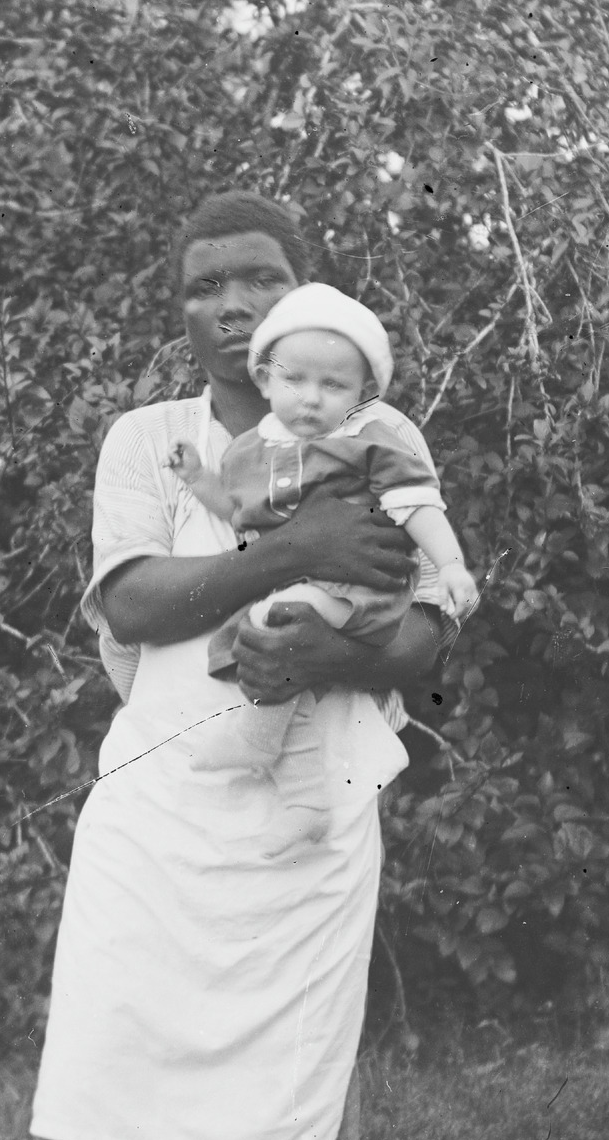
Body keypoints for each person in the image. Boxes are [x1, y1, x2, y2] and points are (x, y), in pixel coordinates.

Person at [0, 192, 447, 1140]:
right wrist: (296, 549)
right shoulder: (150, 440)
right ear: (181, 308)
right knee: (92, 1071)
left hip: (307, 819)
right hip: (159, 806)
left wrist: (325, 650)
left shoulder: (380, 439)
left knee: (299, 1097)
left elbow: (430, 627)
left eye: (259, 278)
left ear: (306, 297)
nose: (232, 305)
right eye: (205, 285)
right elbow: (133, 599)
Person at [165, 279, 479, 831]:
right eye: (295, 380)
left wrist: (451, 565)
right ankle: (306, 802)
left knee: (274, 624)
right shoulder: (249, 451)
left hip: (362, 591)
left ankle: (256, 742)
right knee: (279, 655)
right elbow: (236, 510)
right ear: (265, 379)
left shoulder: (369, 440)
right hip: (306, 590)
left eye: (333, 385)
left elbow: (416, 502)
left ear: (361, 393)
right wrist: (197, 478)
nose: (311, 398)